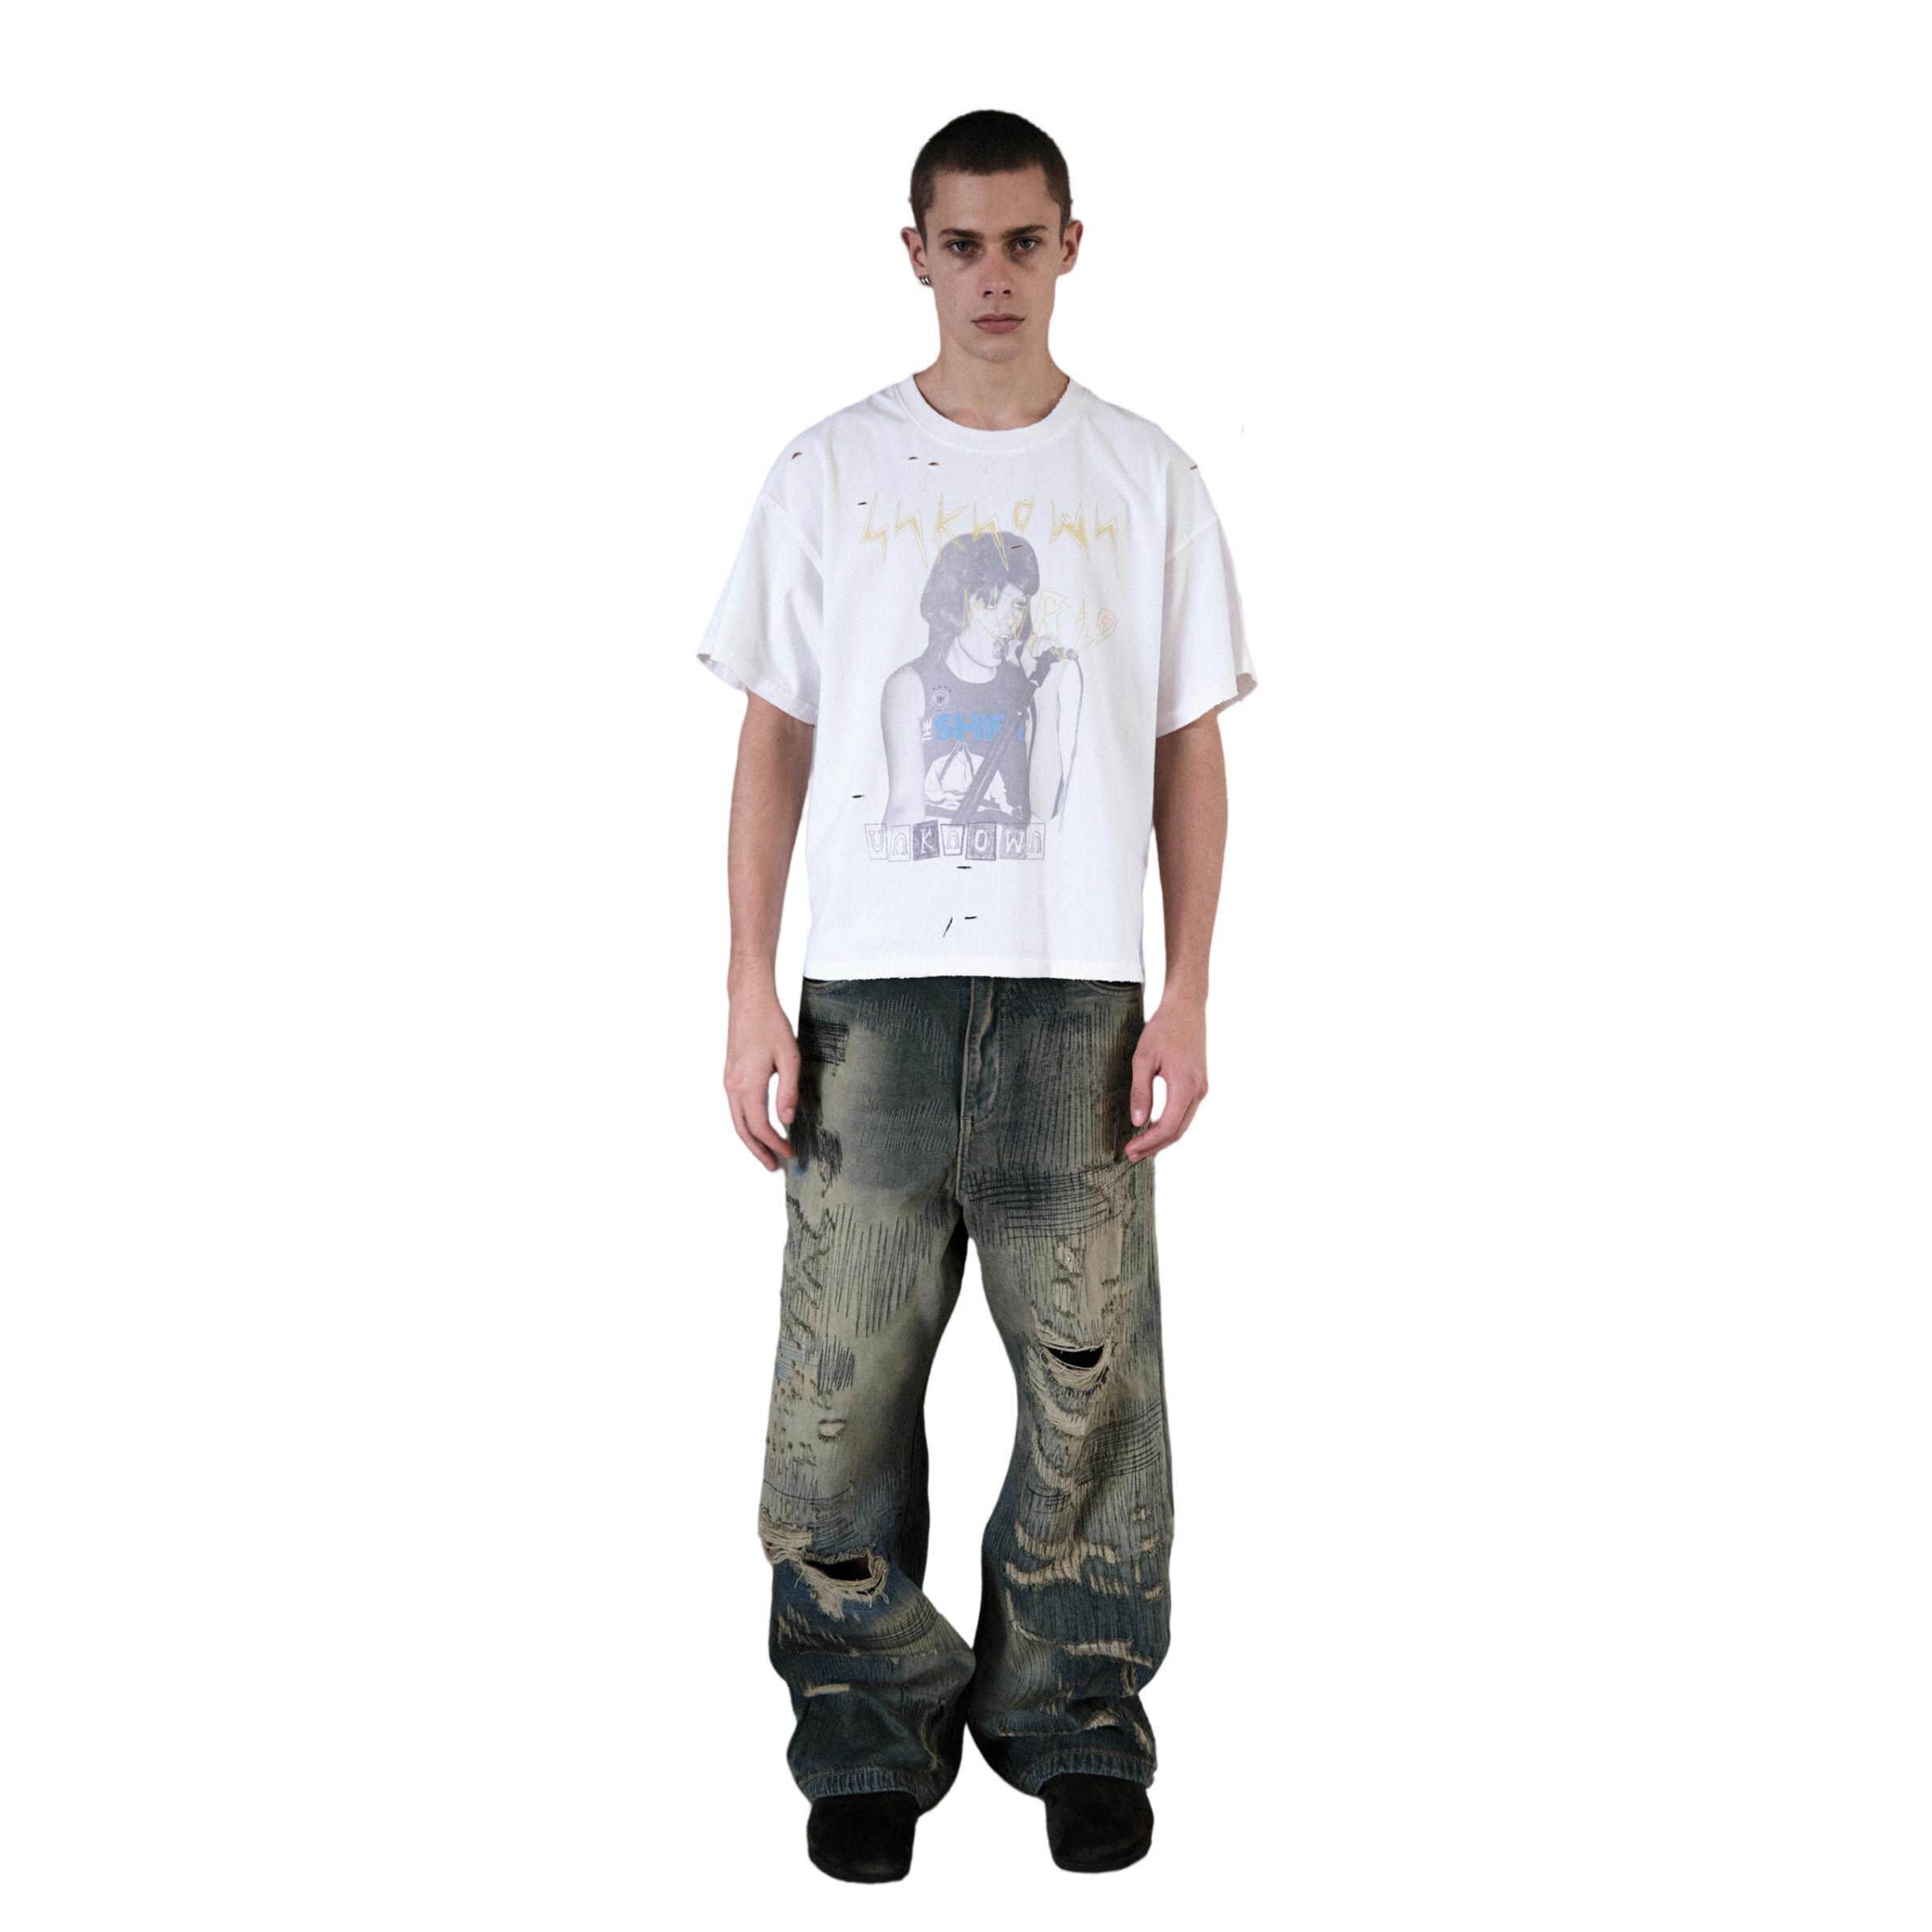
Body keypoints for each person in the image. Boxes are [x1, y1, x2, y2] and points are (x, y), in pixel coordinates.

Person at [696, 108, 1257, 1881]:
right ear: (916, 254)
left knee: (1092, 1382)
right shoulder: (831, 471)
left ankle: (1075, 1715)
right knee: (840, 1385)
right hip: (870, 998)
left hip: (1079, 997)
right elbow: (774, 739)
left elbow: (1185, 750)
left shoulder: (1144, 479)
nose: (994, 276)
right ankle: (866, 1723)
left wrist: (1188, 993)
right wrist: (748, 988)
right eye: (963, 245)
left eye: (1024, 242)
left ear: (1071, 246)